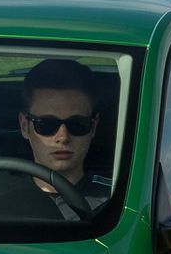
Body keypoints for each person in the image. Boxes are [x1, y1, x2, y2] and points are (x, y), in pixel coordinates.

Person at [18, 57, 112, 219]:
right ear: (25, 126)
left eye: (78, 124)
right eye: (47, 124)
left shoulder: (119, 200)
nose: (63, 137)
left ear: (94, 126)